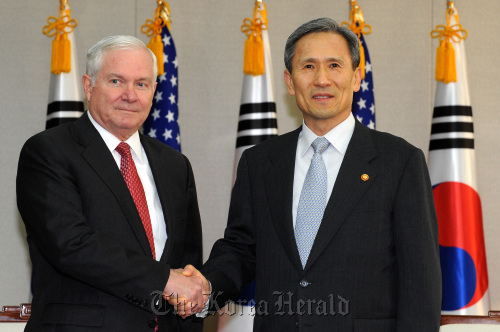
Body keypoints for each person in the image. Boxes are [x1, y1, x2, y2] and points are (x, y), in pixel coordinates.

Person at [182, 17, 442, 331]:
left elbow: (421, 281)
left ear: (357, 77)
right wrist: (206, 285)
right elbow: (241, 250)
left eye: (334, 65)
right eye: (308, 67)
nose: (321, 79)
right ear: (290, 81)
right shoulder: (259, 163)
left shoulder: (399, 162)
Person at [16, 35, 206, 331]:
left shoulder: (175, 165)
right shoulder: (49, 152)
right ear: (89, 86)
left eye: (142, 84)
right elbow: (70, 244)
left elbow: (188, 261)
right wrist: (164, 280)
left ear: (154, 91)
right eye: (116, 81)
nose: (130, 95)